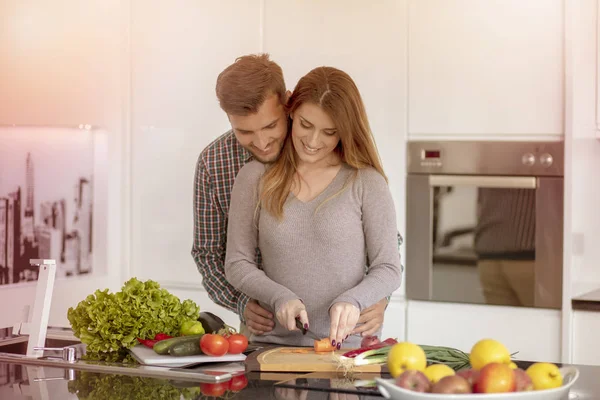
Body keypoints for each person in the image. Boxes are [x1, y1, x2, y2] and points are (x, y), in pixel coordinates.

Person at [191, 54, 391, 337]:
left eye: (270, 126)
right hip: (267, 330)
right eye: (245, 132)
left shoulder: (352, 170)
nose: (261, 143)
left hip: (346, 335)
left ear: (287, 105)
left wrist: (371, 298)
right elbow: (210, 253)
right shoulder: (219, 163)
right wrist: (242, 302)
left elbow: (385, 253)